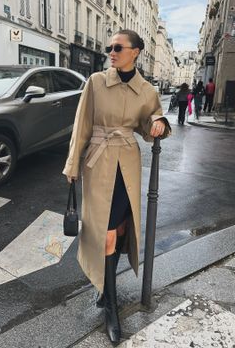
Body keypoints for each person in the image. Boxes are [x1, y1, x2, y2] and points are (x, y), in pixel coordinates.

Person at [63, 29, 171, 344]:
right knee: (104, 231)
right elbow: (81, 124)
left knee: (119, 229)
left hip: (128, 165)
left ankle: (104, 290)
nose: (111, 51)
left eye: (118, 47)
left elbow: (151, 124)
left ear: (135, 52)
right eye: (110, 46)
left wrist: (160, 124)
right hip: (97, 165)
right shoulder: (96, 82)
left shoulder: (147, 90)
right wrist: (72, 165)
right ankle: (109, 303)